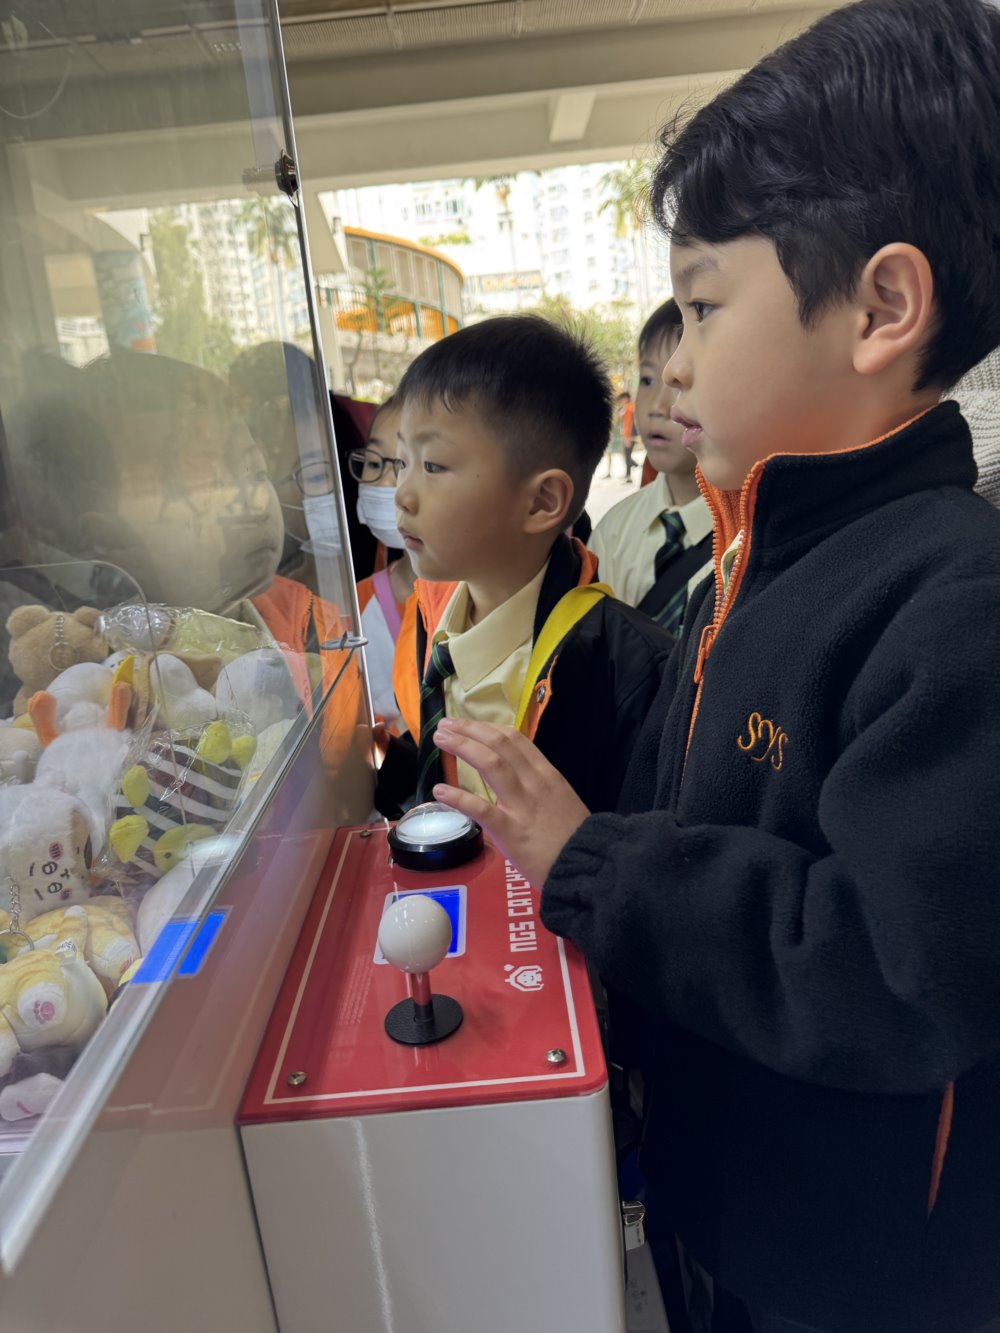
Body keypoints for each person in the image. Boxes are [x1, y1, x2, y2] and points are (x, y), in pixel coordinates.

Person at [425, 2, 1000, 1331]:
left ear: (881, 307)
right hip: (718, 1194)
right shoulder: (748, 558)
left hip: (854, 1276)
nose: (673, 362)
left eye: (702, 305)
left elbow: (900, 971)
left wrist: (596, 862)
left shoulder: (953, 600)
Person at [377, 314, 674, 818]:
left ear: (541, 502)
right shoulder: (430, 618)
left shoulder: (632, 674)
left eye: (433, 466)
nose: (402, 495)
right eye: (402, 463)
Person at [590, 299, 712, 632]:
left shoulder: (749, 539)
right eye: (646, 380)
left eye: (680, 381)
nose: (657, 406)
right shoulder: (613, 533)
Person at [352, 397, 413, 735]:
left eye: (404, 463)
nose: (386, 483)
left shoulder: (488, 597)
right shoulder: (357, 604)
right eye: (374, 463)